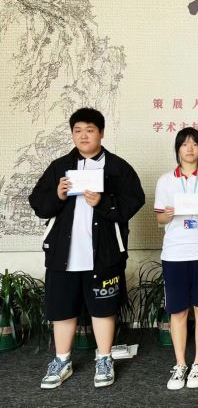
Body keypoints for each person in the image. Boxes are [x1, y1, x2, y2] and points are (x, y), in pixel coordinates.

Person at [28, 107, 145, 389]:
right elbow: (38, 203)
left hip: (104, 255)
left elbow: (134, 201)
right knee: (62, 310)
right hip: (62, 255)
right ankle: (62, 360)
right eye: (78, 130)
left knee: (103, 309)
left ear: (101, 133)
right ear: (72, 134)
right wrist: (57, 195)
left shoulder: (118, 168)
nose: (83, 136)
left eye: (90, 130)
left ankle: (104, 358)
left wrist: (103, 203)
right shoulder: (59, 167)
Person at [154, 127, 198, 389]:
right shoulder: (165, 181)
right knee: (178, 310)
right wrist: (169, 214)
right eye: (184, 144)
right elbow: (160, 217)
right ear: (178, 149)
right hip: (175, 253)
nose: (190, 148)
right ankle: (180, 364)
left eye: (195, 144)